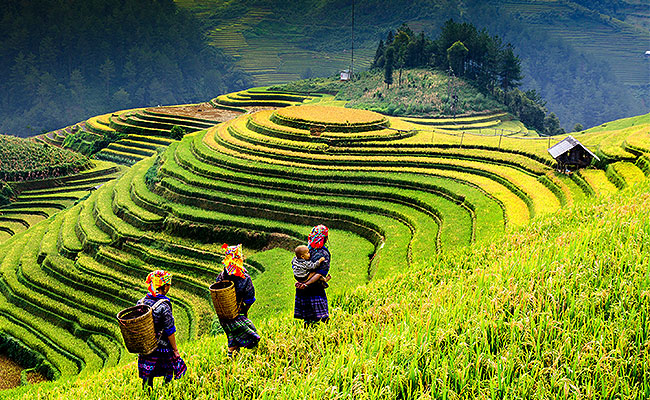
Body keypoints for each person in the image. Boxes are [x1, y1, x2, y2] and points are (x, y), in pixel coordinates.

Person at [137, 270, 187, 389]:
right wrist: (175, 349)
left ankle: (148, 394)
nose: (169, 287)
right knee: (169, 372)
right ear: (164, 287)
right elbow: (170, 330)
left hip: (147, 346)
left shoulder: (141, 302)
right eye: (168, 285)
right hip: (162, 346)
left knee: (147, 376)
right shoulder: (164, 306)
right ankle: (166, 391)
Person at [215, 243, 260, 357]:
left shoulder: (221, 277)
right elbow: (249, 299)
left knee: (232, 335)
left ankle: (233, 359)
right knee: (251, 334)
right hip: (238, 313)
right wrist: (243, 309)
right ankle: (236, 358)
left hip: (224, 315)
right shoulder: (245, 278)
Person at [294, 225, 331, 325]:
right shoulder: (323, 253)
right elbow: (320, 273)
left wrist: (302, 282)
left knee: (307, 317)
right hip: (315, 288)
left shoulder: (306, 249)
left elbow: (297, 268)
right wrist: (307, 284)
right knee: (321, 317)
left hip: (302, 287)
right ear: (325, 239)